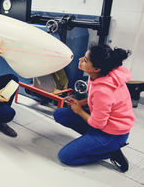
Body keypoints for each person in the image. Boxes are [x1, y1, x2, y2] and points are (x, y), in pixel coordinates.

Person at [54, 44, 135, 172]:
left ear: (96, 68)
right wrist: (81, 103)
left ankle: (110, 152)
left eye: (85, 60)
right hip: (105, 123)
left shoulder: (104, 90)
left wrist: (79, 111)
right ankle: (93, 142)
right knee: (60, 114)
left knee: (65, 157)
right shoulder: (102, 75)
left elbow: (98, 122)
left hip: (112, 134)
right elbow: (98, 100)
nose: (81, 60)